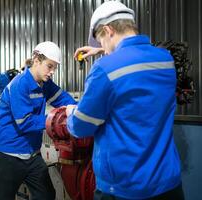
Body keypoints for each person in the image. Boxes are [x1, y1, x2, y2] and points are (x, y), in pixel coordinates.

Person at [66, 1, 184, 200]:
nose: (101, 47)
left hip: (124, 188)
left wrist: (71, 113)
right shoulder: (165, 59)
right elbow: (134, 65)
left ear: (108, 30)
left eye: (101, 40)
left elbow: (81, 128)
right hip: (168, 183)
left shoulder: (105, 68)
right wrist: (104, 50)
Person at [0, 41, 76, 200]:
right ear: (36, 60)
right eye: (49, 66)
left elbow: (62, 98)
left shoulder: (45, 83)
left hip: (31, 154)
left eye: (55, 68)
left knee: (47, 195)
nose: (52, 72)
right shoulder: (20, 84)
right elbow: (26, 123)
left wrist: (78, 110)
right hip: (8, 153)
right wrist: (56, 120)